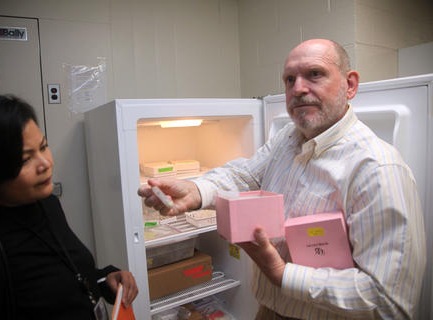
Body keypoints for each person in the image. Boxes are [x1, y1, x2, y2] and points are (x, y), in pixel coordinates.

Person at [138, 39, 426, 319]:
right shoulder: (287, 140)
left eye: (315, 74)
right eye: (289, 79)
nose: (298, 89)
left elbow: (388, 301)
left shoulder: (377, 168)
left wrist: (282, 273)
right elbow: (244, 175)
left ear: (350, 85)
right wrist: (195, 190)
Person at [0, 95, 138, 320]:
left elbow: (68, 274)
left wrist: (104, 279)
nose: (45, 163)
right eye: (24, 160)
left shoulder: (47, 204)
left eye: (43, 146)